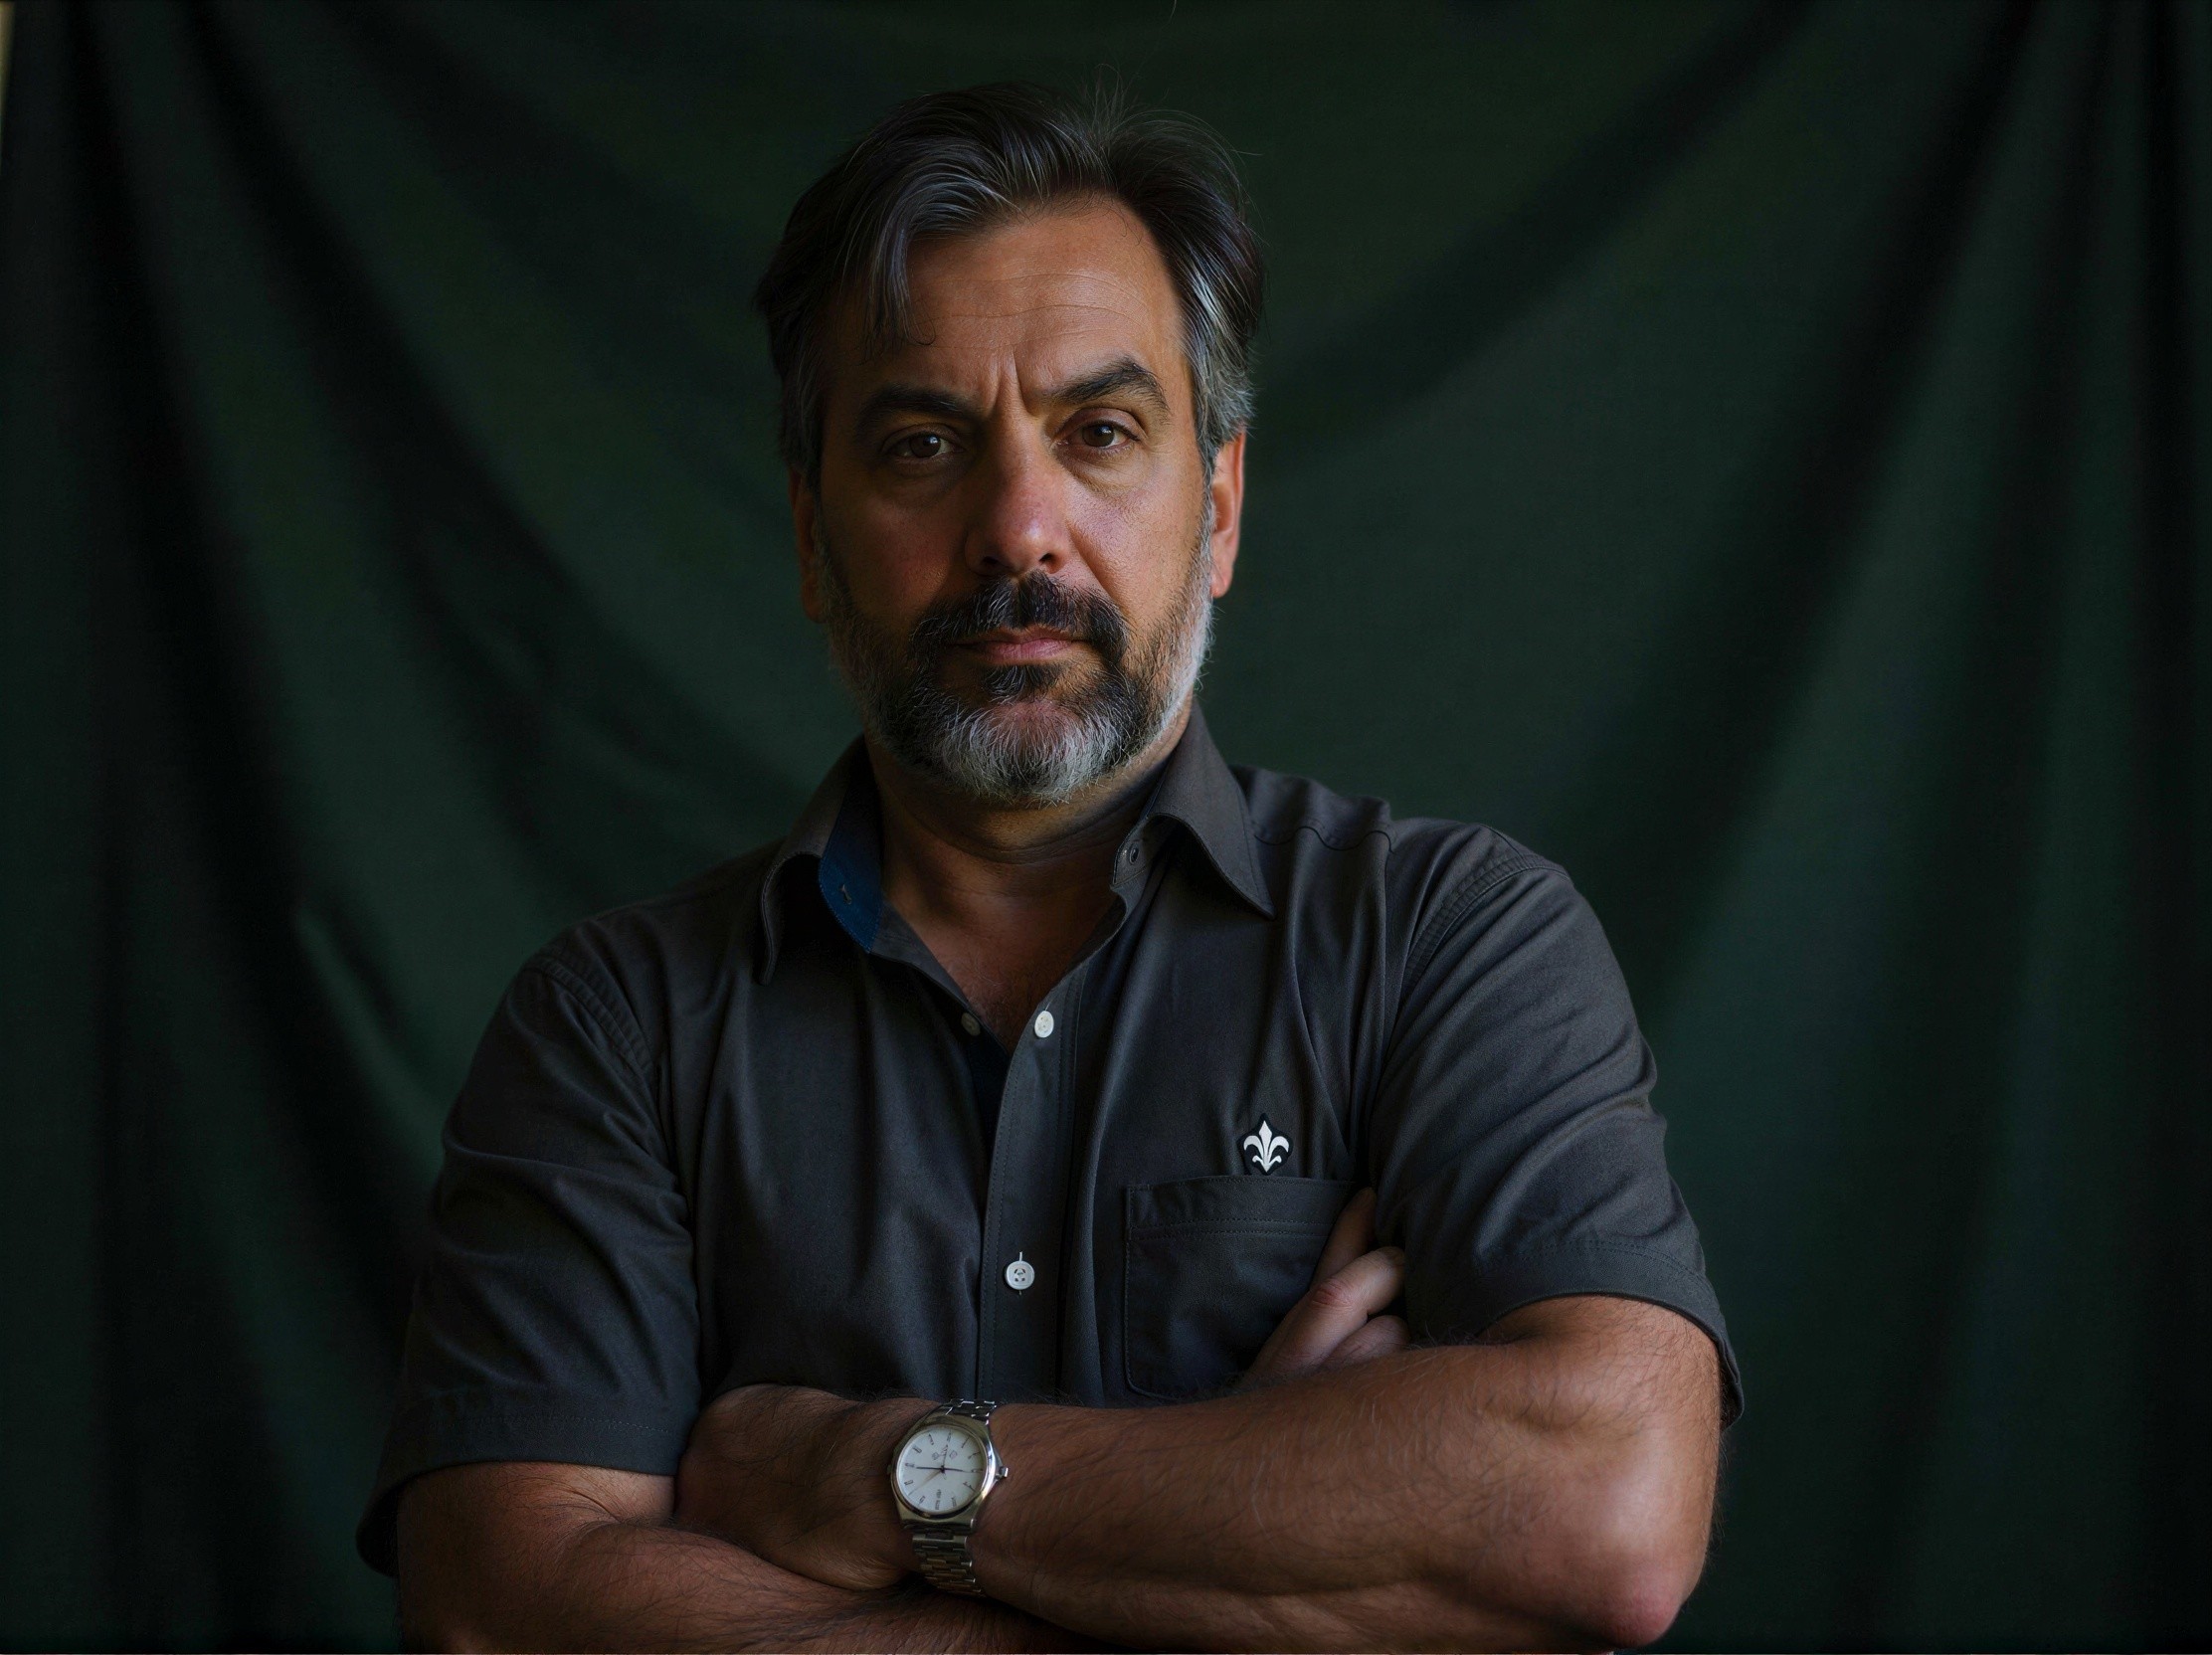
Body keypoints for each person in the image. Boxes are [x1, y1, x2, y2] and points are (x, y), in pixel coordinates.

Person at [363, 82, 1741, 1653]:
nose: (1022, 526)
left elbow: (1610, 1511)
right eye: (924, 444)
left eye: (1100, 433)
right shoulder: (616, 1027)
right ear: (814, 539)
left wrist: (870, 1476)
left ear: (1215, 509)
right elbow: (500, 1612)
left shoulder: (1447, 941)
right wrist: (1265, 1542)